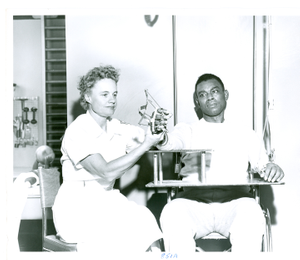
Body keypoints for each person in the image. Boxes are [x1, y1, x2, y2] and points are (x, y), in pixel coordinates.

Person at [156, 73, 284, 252]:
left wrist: (272, 168)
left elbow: (262, 164)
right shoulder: (187, 130)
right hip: (193, 203)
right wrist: (160, 136)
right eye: (202, 94)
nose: (209, 97)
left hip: (235, 202)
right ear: (197, 102)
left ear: (226, 95)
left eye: (214, 91)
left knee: (252, 212)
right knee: (172, 212)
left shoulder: (245, 133)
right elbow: (169, 143)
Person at [52, 65, 165, 253]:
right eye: (104, 95)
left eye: (114, 94)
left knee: (144, 219)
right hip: (76, 209)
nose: (112, 100)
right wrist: (145, 144)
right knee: (120, 236)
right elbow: (105, 170)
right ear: (88, 97)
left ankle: (162, 257)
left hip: (108, 202)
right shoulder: (77, 131)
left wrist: (156, 128)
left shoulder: (116, 127)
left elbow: (148, 139)